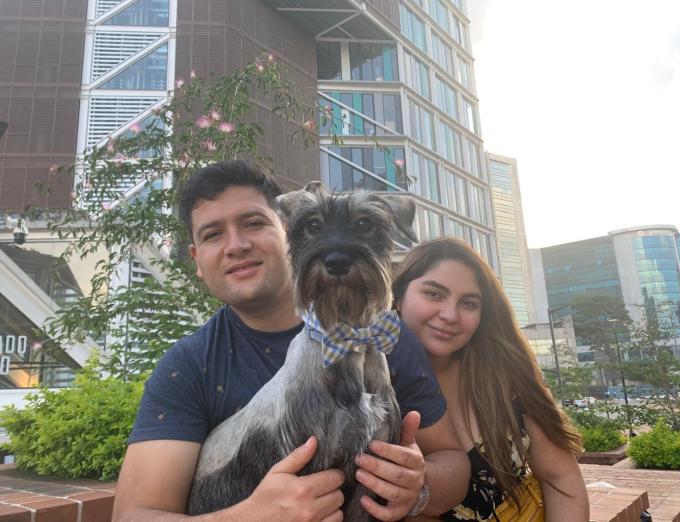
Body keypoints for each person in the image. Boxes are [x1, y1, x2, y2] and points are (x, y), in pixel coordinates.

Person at [113, 161, 470, 521]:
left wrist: (418, 484)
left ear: (288, 232)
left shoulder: (385, 335)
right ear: (197, 261)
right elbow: (133, 516)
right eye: (212, 234)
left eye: (253, 223)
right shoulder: (188, 366)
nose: (236, 245)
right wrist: (250, 517)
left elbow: (454, 463)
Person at [392, 238, 589, 521]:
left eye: (468, 303)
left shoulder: (503, 374)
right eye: (434, 294)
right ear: (398, 297)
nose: (450, 315)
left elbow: (561, 479)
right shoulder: (364, 387)